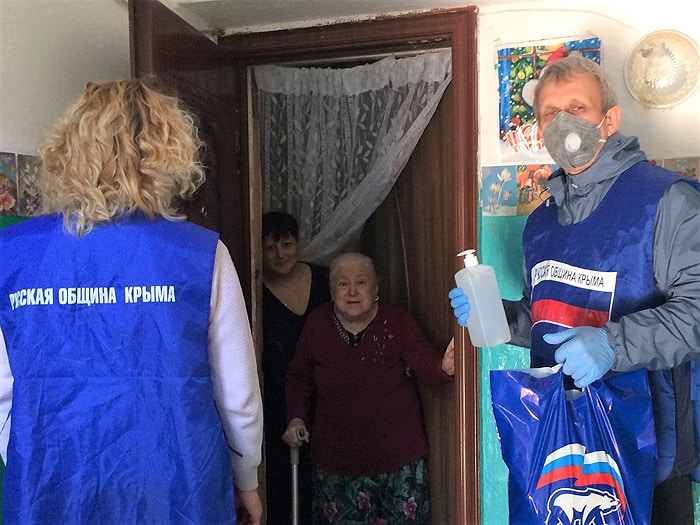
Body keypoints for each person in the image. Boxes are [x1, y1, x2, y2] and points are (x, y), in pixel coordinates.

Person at [449, 54, 700, 523]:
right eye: (549, 113)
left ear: (610, 119)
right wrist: (504, 317)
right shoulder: (542, 223)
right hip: (561, 440)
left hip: (648, 443)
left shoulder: (668, 201)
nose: (562, 123)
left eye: (577, 108)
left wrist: (613, 345)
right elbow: (549, 314)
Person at [0, 80, 264, 524]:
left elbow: (2, 391)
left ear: (67, 151)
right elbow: (238, 396)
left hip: (51, 481)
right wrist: (246, 478)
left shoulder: (11, 254)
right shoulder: (201, 255)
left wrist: (32, 460)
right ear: (165, 152)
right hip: (178, 483)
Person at [284, 251, 455, 524]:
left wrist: (443, 367)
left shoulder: (396, 321)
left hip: (399, 462)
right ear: (331, 291)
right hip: (336, 464)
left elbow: (425, 363)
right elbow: (299, 376)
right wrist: (296, 417)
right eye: (343, 284)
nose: (352, 291)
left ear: (375, 289)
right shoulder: (317, 324)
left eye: (361, 282)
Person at [261, 211, 330, 525]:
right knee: (281, 482)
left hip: (325, 394)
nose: (279, 254)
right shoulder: (255, 290)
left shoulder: (325, 280)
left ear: (298, 244)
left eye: (286, 244)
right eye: (270, 247)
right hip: (275, 399)